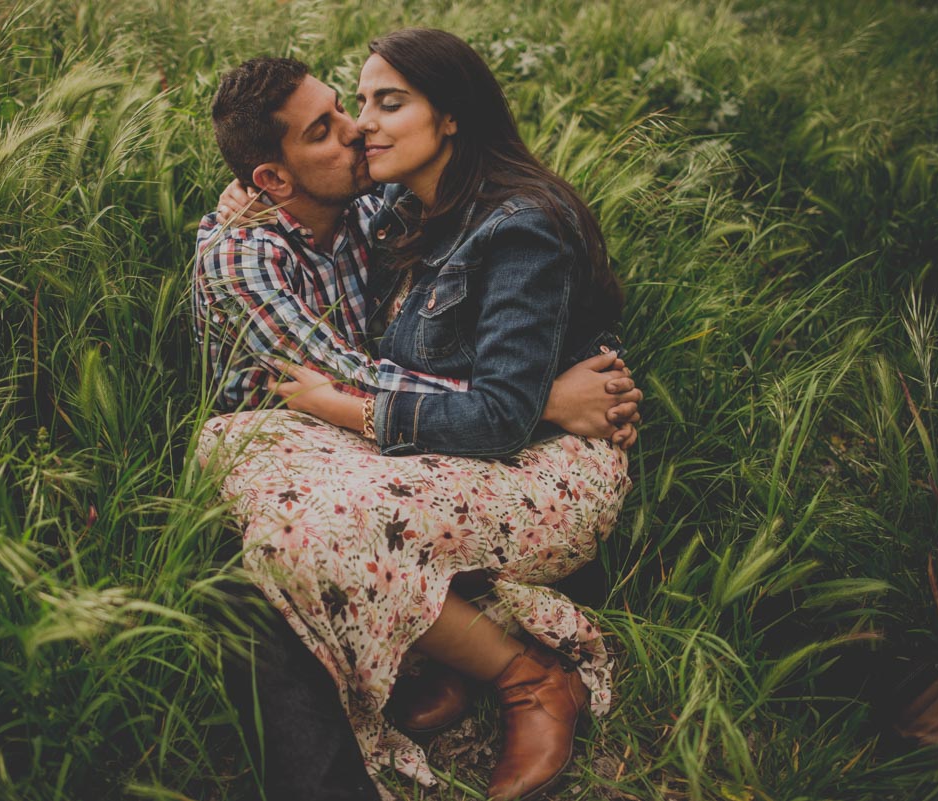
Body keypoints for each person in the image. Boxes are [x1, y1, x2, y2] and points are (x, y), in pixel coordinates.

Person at [195, 34, 638, 801]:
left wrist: (529, 403)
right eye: (339, 118)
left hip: (538, 456)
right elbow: (369, 371)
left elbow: (480, 408)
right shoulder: (389, 209)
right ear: (271, 178)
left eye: (376, 105)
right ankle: (431, 643)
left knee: (302, 532)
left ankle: (530, 676)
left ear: (452, 115)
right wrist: (541, 396)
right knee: (232, 454)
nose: (358, 127)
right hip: (456, 432)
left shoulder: (476, 219)